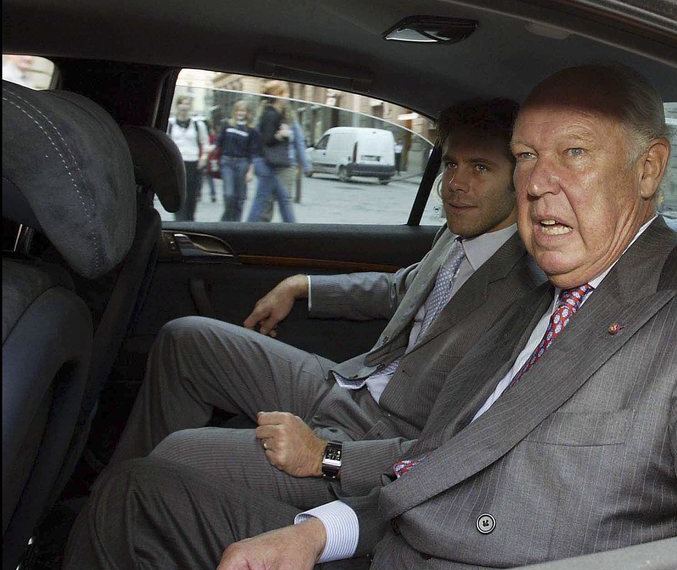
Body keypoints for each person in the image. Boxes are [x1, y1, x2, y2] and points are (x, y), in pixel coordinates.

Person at [56, 66, 677, 570]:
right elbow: (443, 452)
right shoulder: (541, 287)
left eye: (574, 154)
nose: (536, 181)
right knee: (135, 496)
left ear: (649, 167)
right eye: (526, 155)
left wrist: (324, 463)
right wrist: (319, 531)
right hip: (388, 546)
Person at [102, 98, 544, 511]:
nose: (455, 184)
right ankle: (112, 506)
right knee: (187, 339)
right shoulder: (458, 234)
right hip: (349, 386)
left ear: (520, 177)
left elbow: (450, 450)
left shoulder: (529, 290)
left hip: (376, 440)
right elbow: (399, 289)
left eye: (480, 167)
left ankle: (125, 505)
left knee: (175, 457)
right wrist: (300, 284)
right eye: (451, 163)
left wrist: (324, 456)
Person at [247, 80, 298, 223]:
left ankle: (292, 227)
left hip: (266, 162)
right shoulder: (271, 114)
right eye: (285, 93)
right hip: (265, 162)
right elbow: (267, 140)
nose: (288, 96)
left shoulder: (270, 112)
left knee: (282, 198)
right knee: (264, 199)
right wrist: (282, 135)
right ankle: (249, 228)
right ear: (278, 95)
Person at [215, 100, 260, 222]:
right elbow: (218, 142)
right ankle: (225, 220)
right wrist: (208, 153)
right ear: (234, 111)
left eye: (243, 110)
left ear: (247, 113)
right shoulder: (227, 125)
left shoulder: (251, 130)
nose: (240, 113)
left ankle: (236, 223)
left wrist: (250, 171)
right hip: (227, 162)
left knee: (240, 197)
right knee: (229, 194)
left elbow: (253, 152)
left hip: (242, 163)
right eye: (238, 110)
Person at [168, 95, 211, 221]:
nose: (184, 107)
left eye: (187, 104)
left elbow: (205, 142)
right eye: (182, 103)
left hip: (193, 163)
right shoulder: (170, 123)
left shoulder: (198, 124)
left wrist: (204, 157)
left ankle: (189, 221)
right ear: (177, 106)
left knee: (191, 195)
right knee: (178, 193)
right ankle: (180, 221)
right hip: (177, 163)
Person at [259, 118, 311, 219]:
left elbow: (299, 143)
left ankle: (289, 228)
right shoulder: (266, 119)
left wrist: (306, 165)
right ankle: (263, 229)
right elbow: (258, 140)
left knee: (285, 198)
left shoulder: (292, 122)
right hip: (269, 164)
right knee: (267, 200)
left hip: (287, 165)